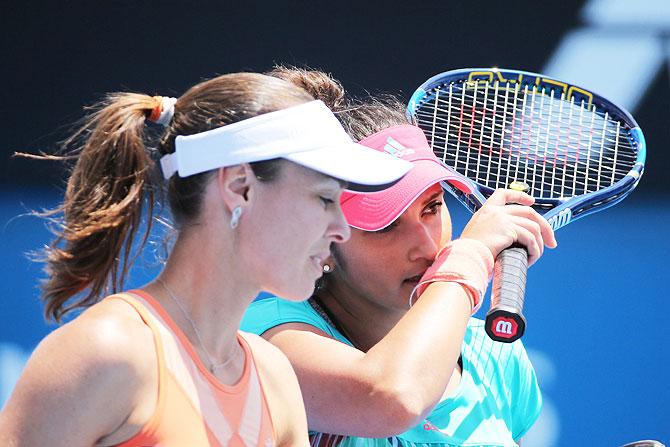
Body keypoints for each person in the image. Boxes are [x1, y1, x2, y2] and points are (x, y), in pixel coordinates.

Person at [0, 72, 411, 447]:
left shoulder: (275, 378)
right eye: (324, 198)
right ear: (239, 187)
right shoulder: (107, 352)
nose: (341, 229)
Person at [241, 67, 558, 447]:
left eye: (432, 207)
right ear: (324, 238)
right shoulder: (264, 341)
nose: (426, 246)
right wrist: (469, 257)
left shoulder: (496, 356)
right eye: (385, 224)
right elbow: (391, 397)